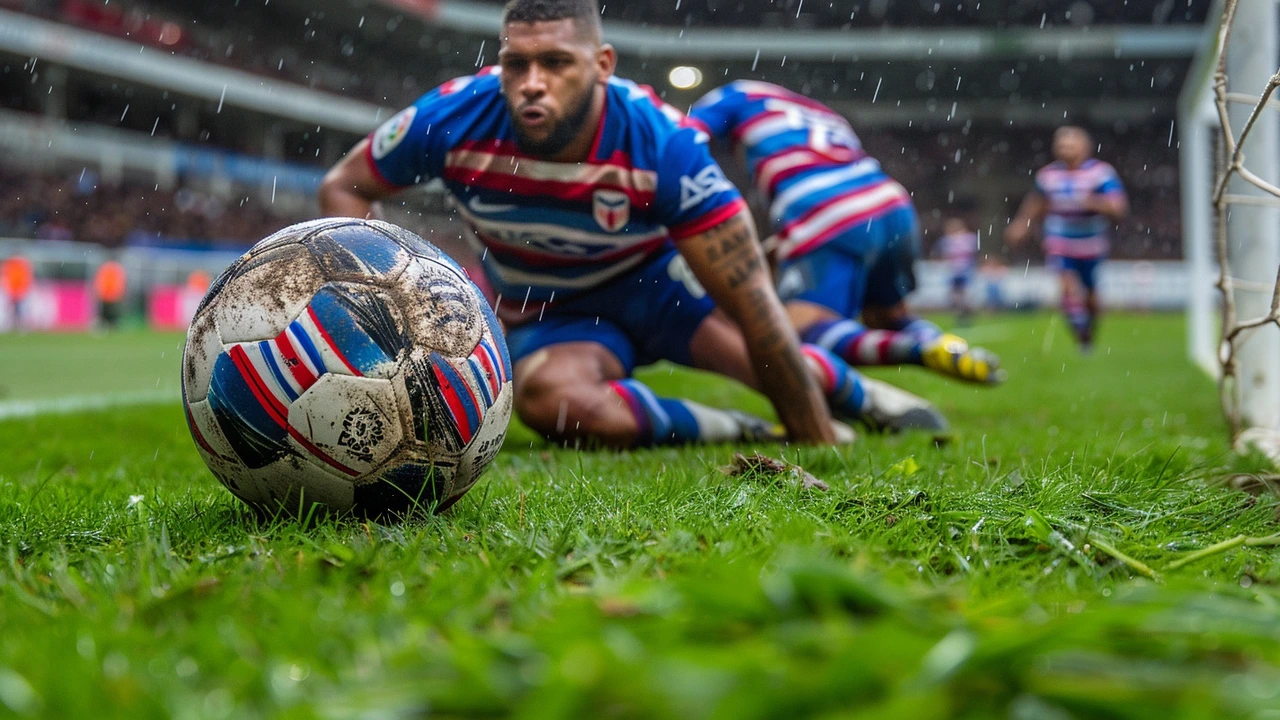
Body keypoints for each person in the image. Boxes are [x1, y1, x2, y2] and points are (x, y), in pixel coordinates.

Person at [318, 0, 945, 449]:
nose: (532, 85)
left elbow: (754, 303)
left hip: (659, 290)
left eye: (557, 63)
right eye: (517, 64)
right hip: (546, 309)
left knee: (767, 359)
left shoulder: (663, 145)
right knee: (553, 406)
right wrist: (381, 310)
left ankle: (860, 398)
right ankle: (739, 428)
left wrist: (818, 440)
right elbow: (344, 185)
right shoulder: (453, 117)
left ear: (603, 64)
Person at [688, 81, 1002, 385]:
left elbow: (683, 139)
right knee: (888, 317)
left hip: (825, 206)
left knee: (794, 336)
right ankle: (947, 348)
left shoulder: (737, 94)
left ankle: (919, 351)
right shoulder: (825, 115)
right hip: (891, 203)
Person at [1006, 126, 1128, 352]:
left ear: (1085, 147)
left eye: (1070, 144)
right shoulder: (1048, 175)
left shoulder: (1101, 173)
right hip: (1059, 238)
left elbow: (1118, 207)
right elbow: (1036, 202)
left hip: (1091, 241)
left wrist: (1093, 202)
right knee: (1067, 286)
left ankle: (1089, 329)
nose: (1065, 149)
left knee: (1090, 293)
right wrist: (1022, 223)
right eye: (1061, 144)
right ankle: (1079, 331)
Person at [936, 216, 979, 325]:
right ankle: (963, 313)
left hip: (962, 271)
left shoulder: (965, 239)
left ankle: (964, 313)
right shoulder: (951, 240)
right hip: (956, 271)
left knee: (961, 294)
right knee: (957, 295)